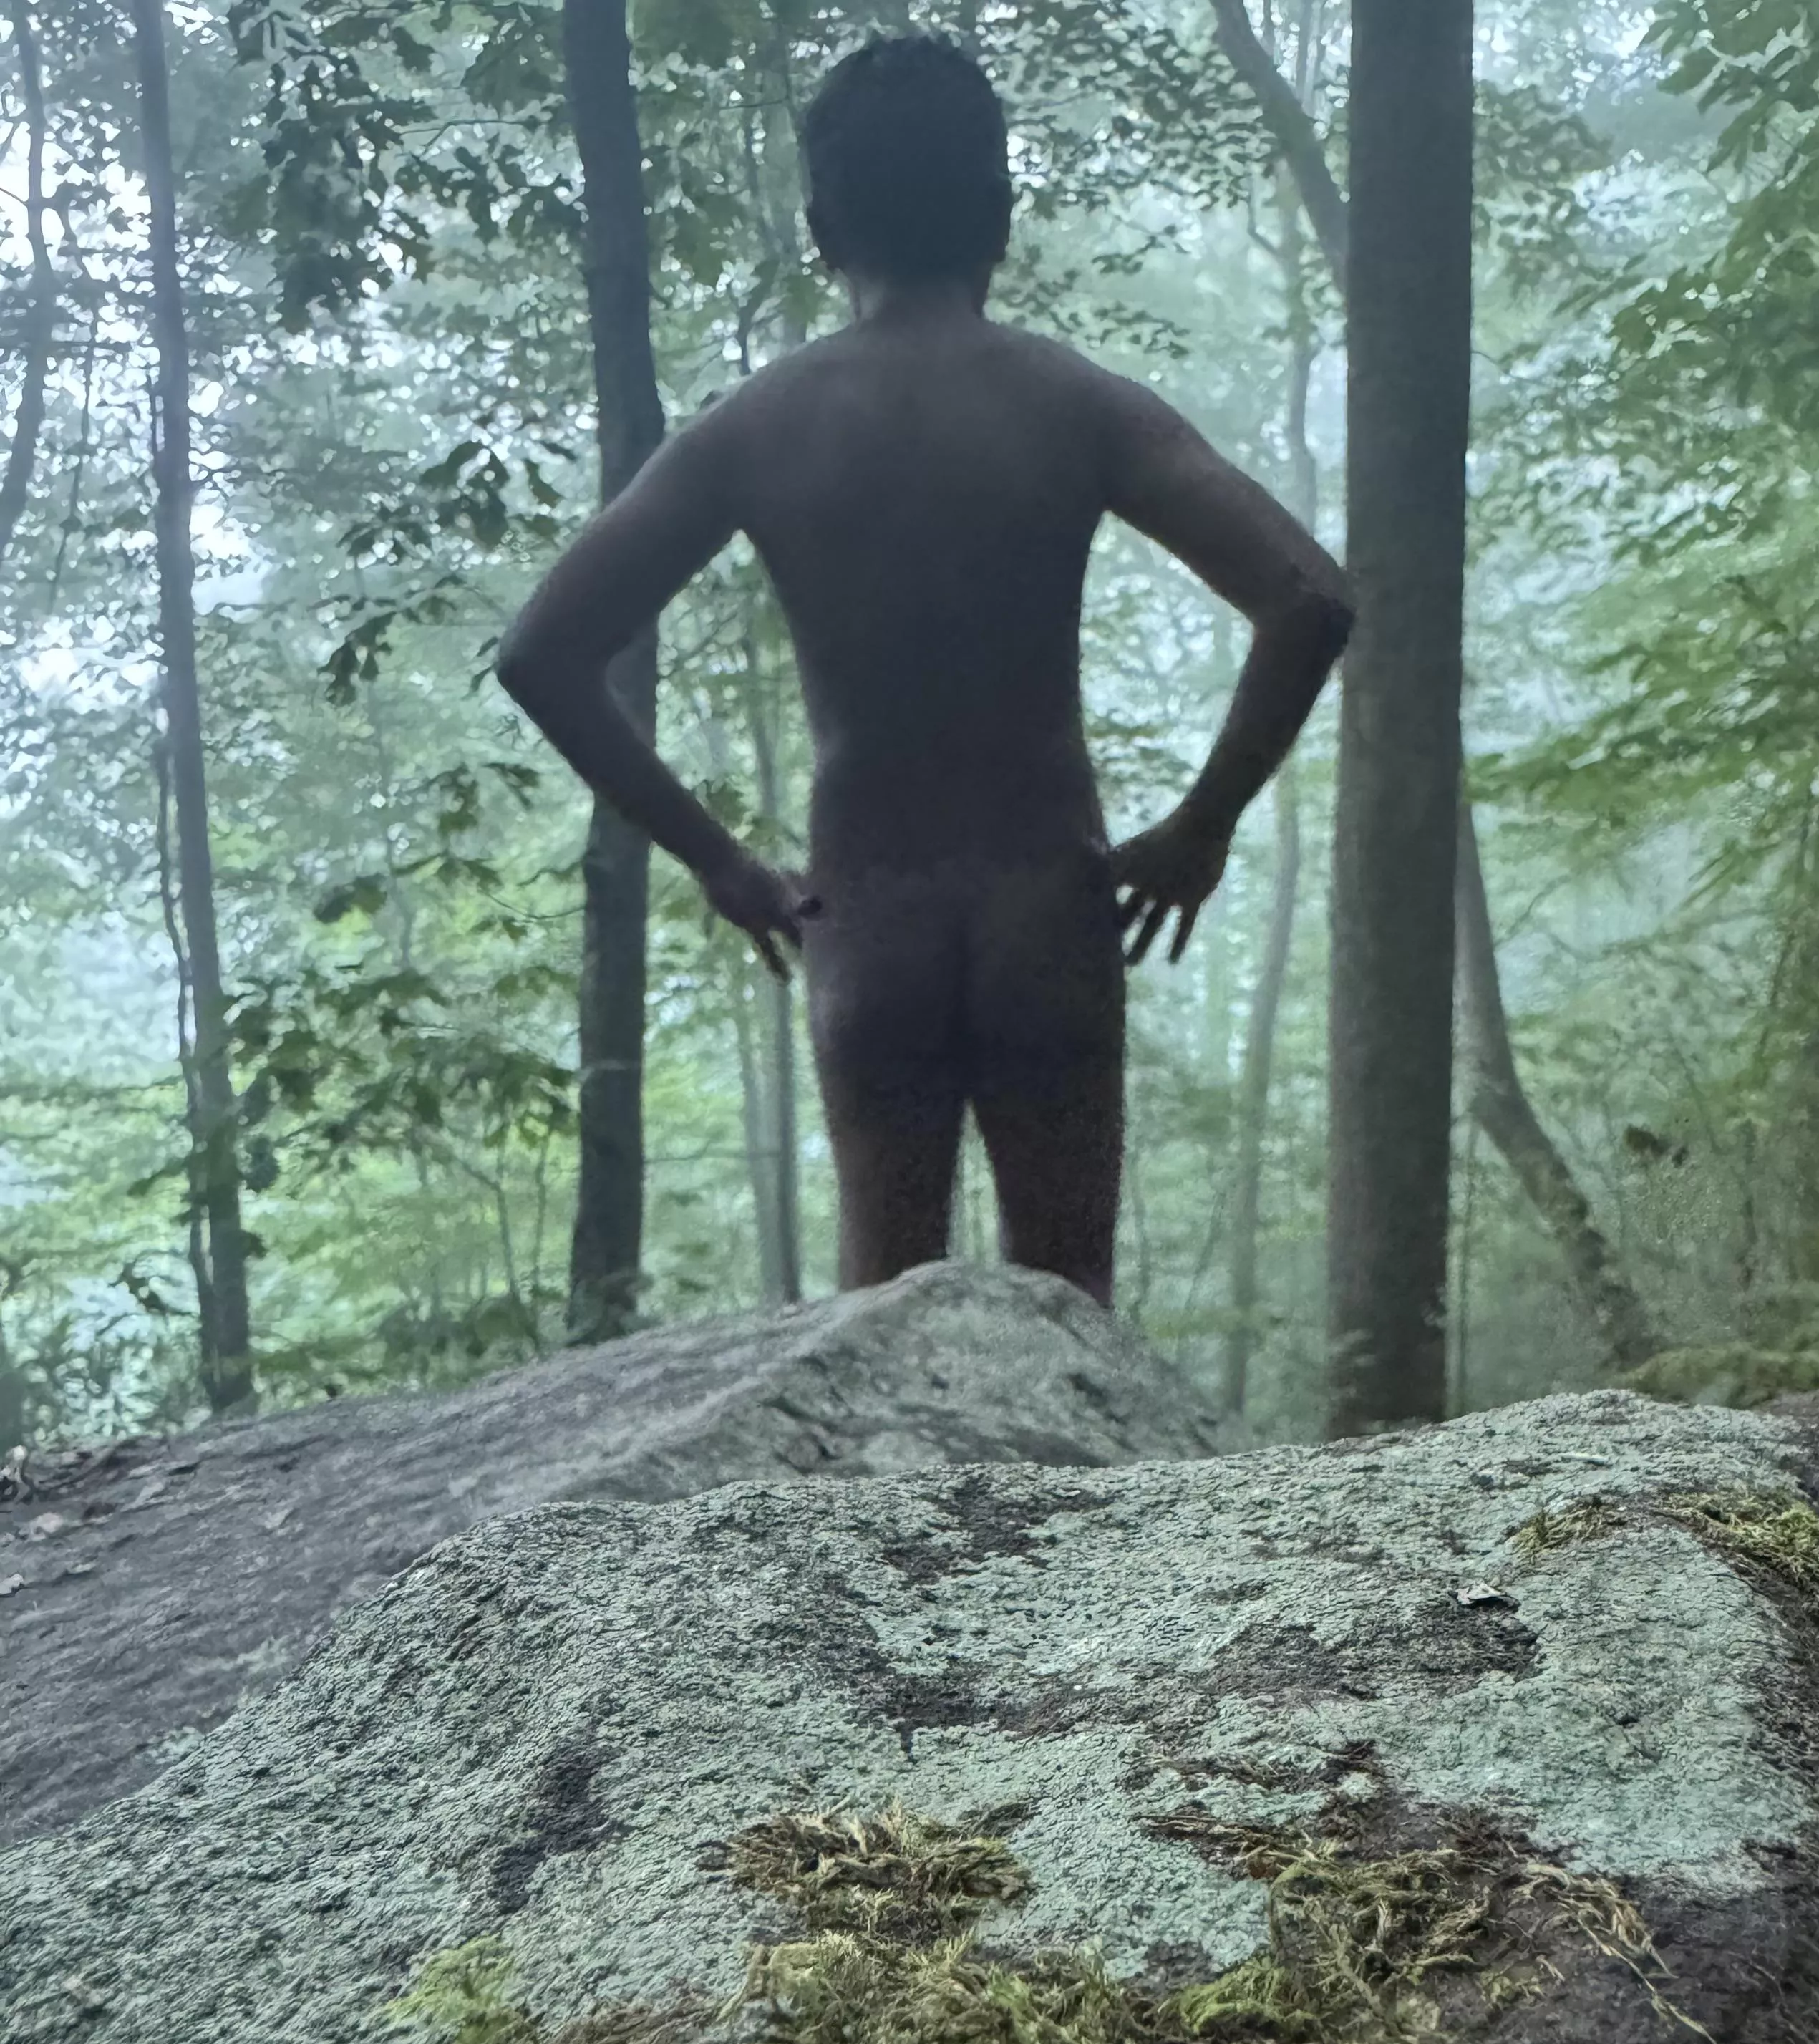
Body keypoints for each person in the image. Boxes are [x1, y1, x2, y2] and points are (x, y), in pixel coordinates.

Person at [497, 32, 1351, 1309]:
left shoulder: (760, 428)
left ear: (822, 227)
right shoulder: (1076, 405)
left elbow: (542, 654)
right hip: (1048, 914)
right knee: (1069, 1317)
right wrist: (1199, 826)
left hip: (869, 926)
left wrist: (720, 859)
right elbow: (1308, 597)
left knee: (877, 1332)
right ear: (1001, 215)